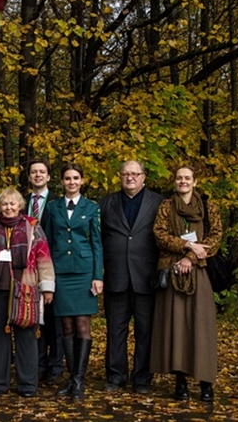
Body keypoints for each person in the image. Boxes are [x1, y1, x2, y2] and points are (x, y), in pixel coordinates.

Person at [0, 188, 55, 397]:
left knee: (26, 337)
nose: (8, 208)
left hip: (25, 289)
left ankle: (27, 384)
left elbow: (43, 257)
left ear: (19, 205)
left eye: (12, 204)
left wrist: (47, 287)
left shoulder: (32, 226)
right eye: (4, 204)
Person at [150, 166, 222, 402]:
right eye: (179, 178)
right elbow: (159, 235)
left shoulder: (208, 207)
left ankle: (205, 382)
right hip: (172, 273)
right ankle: (179, 381)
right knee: (176, 328)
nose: (183, 181)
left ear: (195, 181)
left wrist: (190, 257)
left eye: (187, 178)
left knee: (201, 328)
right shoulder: (166, 207)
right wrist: (187, 246)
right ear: (175, 182)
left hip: (198, 273)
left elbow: (215, 238)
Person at [99, 161, 163, 394]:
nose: (130, 178)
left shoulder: (158, 203)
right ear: (120, 177)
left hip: (146, 277)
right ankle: (115, 376)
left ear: (144, 177)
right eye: (126, 174)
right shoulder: (106, 203)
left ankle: (142, 379)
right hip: (116, 275)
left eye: (135, 174)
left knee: (145, 331)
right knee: (115, 330)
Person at [44, 164, 103, 399]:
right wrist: (47, 277)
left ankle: (79, 379)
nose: (71, 182)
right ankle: (71, 378)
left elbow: (97, 242)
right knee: (66, 327)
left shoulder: (91, 207)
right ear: (62, 181)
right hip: (60, 272)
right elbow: (46, 243)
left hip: (84, 271)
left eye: (75, 178)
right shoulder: (52, 207)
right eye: (67, 178)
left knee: (82, 326)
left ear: (82, 181)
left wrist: (98, 276)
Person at [24, 158, 63, 384]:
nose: (38, 175)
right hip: (28, 271)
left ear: (48, 177)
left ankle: (56, 367)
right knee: (34, 320)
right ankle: (37, 365)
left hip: (53, 267)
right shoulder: (22, 203)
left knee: (54, 320)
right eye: (34, 172)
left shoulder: (57, 204)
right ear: (29, 177)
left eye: (42, 172)